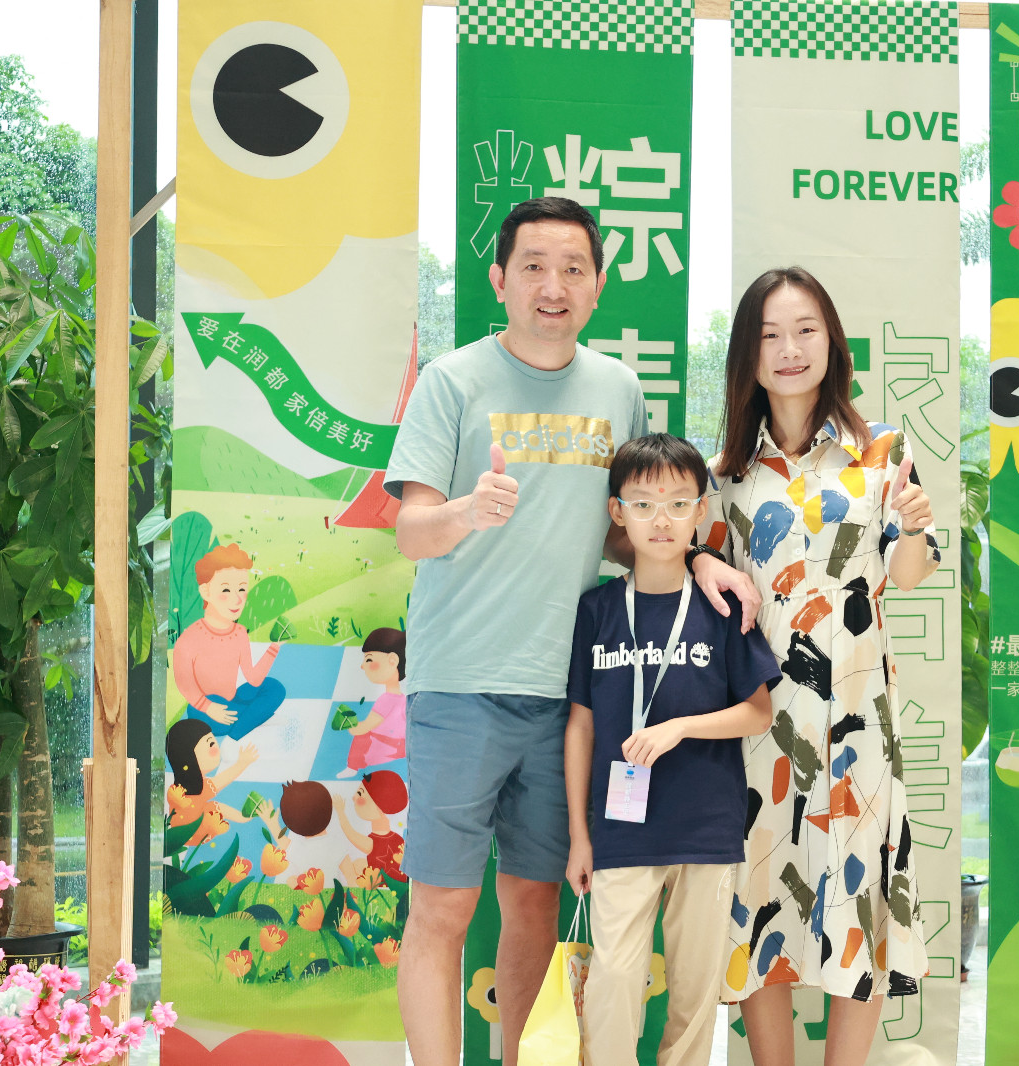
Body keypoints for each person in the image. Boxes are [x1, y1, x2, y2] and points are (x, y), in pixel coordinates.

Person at [382, 196, 763, 1066]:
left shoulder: (618, 389)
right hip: (460, 685)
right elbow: (410, 531)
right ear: (499, 280)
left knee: (535, 904)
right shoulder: (451, 381)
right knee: (441, 908)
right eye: (533, 267)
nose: (552, 286)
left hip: (573, 697)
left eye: (572, 269)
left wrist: (700, 558)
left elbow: (637, 525)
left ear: (596, 286)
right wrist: (467, 511)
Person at [696, 267, 942, 1066]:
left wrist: (913, 524)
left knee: (857, 902)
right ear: (748, 355)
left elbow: (908, 575)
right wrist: (703, 560)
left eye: (805, 330)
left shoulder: (883, 451)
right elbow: (695, 564)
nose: (789, 349)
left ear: (831, 341)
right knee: (761, 896)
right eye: (769, 335)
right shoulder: (724, 473)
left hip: (857, 723)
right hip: (759, 722)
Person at [563, 434, 780, 1066]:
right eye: (643, 504)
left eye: (679, 503)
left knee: (694, 993)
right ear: (617, 512)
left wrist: (680, 728)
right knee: (612, 981)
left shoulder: (722, 607)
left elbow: (758, 712)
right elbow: (579, 728)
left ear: (700, 512)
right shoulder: (597, 610)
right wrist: (579, 836)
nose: (662, 520)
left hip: (706, 828)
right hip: (620, 830)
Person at [173, 544, 285, 740]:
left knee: (274, 688)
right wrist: (208, 707)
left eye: (241, 589)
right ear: (206, 591)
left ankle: (239, 728)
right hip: (205, 710)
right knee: (207, 707)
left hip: (232, 702)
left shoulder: (240, 633)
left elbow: (254, 679)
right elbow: (185, 683)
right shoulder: (189, 637)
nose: (237, 599)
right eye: (226, 590)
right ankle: (249, 720)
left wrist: (275, 647)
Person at [164, 718, 271, 847]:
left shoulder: (185, 787)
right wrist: (242, 763)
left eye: (213, 741)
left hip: (185, 833)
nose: (217, 747)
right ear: (189, 756)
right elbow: (223, 779)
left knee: (213, 807)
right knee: (214, 807)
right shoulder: (191, 789)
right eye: (210, 744)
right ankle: (241, 818)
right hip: (195, 831)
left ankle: (241, 818)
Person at [333, 627, 408, 777]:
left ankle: (352, 767)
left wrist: (353, 727)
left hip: (387, 749)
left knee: (362, 736)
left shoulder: (386, 699)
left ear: (392, 660)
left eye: (369, 660)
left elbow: (366, 726)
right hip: (402, 749)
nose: (362, 666)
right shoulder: (404, 698)